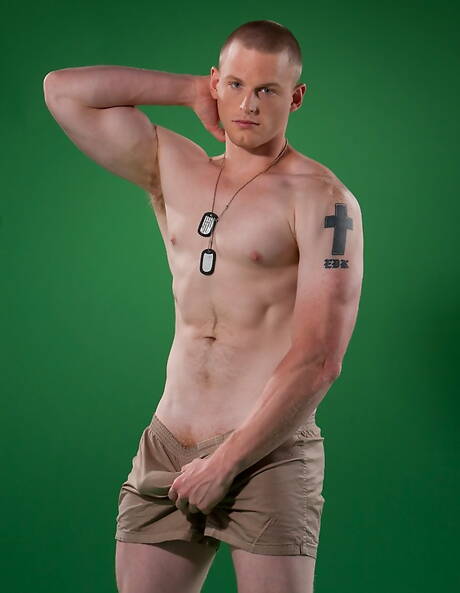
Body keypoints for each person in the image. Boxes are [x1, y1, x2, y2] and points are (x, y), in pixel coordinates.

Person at [43, 19, 363, 593]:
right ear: (216, 82)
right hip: (168, 441)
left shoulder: (323, 200)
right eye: (235, 84)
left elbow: (319, 359)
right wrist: (189, 90)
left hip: (266, 449)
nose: (248, 104)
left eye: (266, 90)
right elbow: (62, 91)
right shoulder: (175, 166)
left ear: (295, 98)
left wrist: (226, 463)